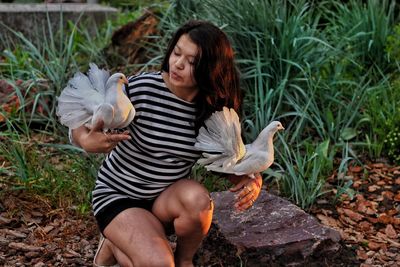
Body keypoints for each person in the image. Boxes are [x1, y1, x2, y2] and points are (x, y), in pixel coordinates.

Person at [71, 20, 263, 267]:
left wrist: (251, 182)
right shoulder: (141, 89)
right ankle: (118, 237)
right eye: (177, 53)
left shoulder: (210, 111)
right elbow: (77, 114)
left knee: (198, 201)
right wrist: (85, 139)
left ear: (211, 69)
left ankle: (184, 260)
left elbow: (227, 165)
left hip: (164, 201)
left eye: (192, 62)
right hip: (118, 196)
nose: (178, 64)